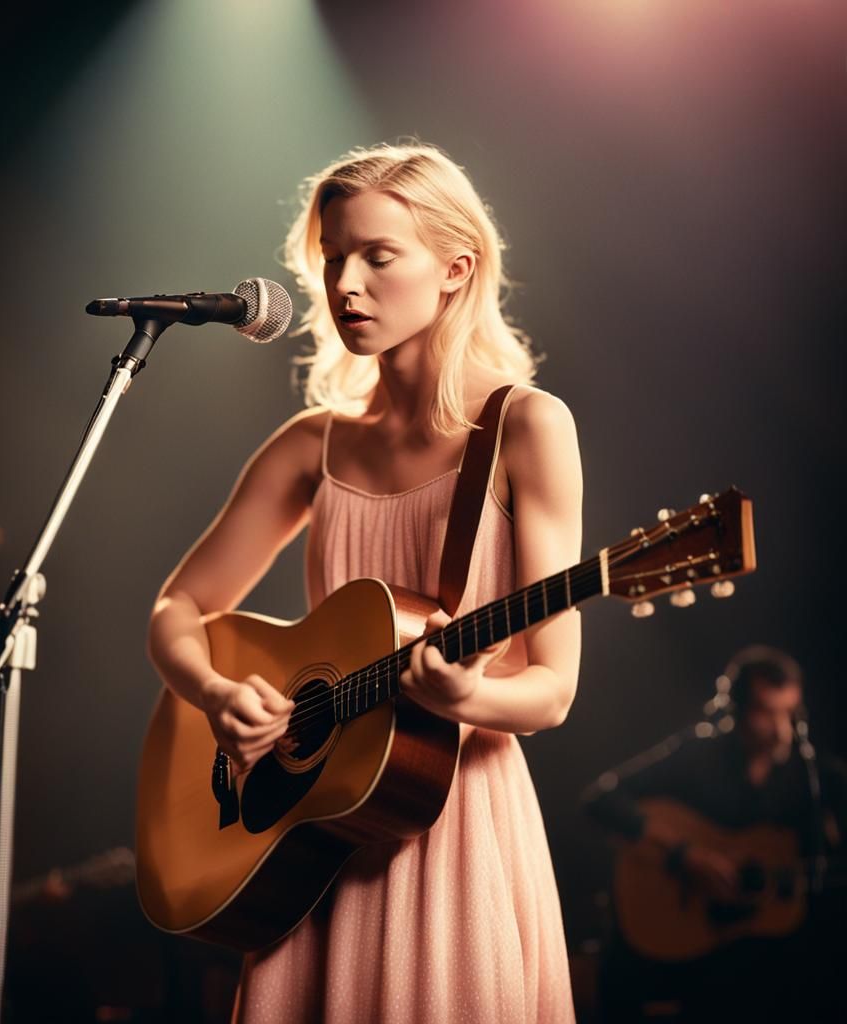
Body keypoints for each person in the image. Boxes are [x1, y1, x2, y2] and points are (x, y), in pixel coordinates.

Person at [147, 142, 583, 1023]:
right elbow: (179, 607)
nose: (346, 283)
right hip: (306, 839)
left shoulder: (528, 427)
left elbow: (551, 690)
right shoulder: (315, 444)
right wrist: (217, 692)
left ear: (456, 268)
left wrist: (467, 696)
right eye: (334, 256)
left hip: (452, 825)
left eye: (378, 256)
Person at [583, 646, 847, 1022]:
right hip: (679, 936)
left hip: (754, 955)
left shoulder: (813, 774)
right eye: (765, 713)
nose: (780, 729)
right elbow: (602, 800)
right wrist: (685, 855)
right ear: (735, 710)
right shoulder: (698, 755)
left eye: (789, 713)